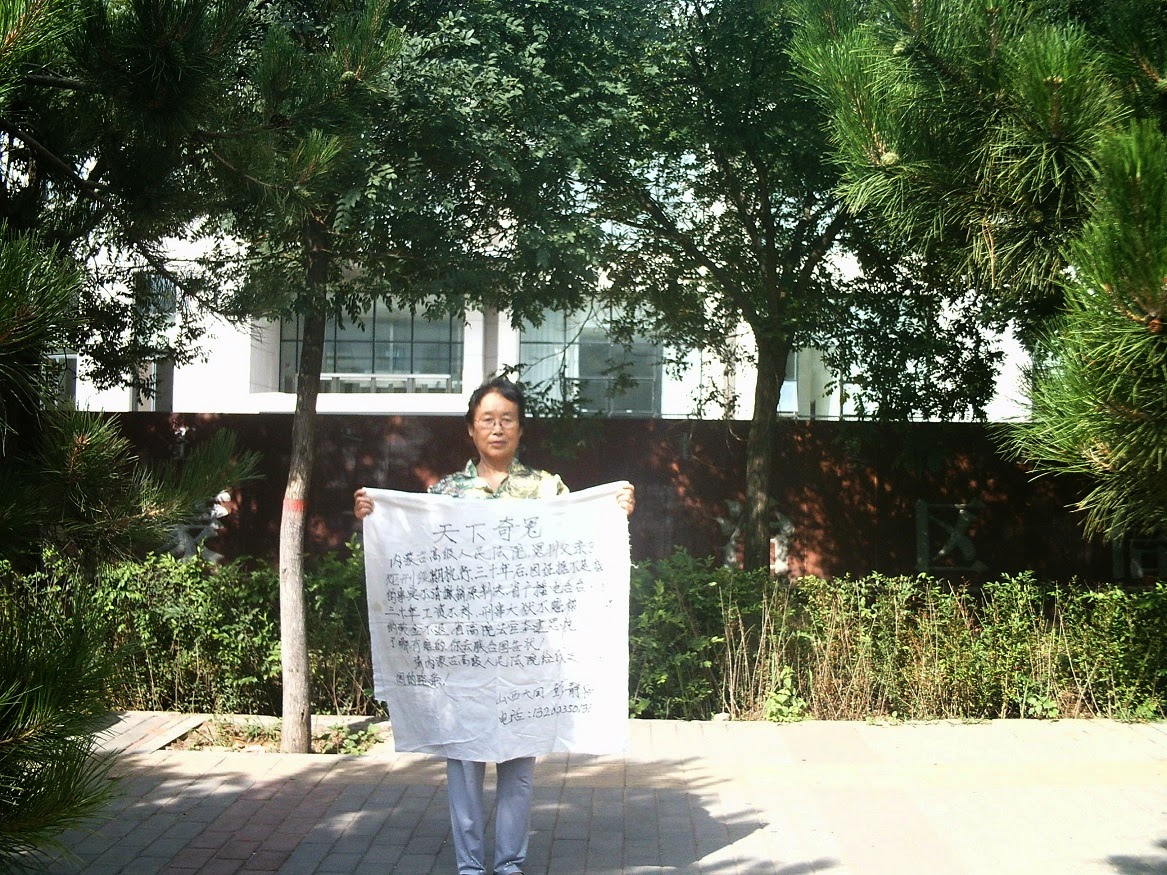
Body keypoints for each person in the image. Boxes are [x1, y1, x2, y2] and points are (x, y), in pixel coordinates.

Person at [354, 375, 635, 875]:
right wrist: (375, 516)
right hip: (465, 652)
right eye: (488, 419)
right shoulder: (446, 492)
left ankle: (508, 864)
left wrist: (615, 511)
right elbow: (414, 551)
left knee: (518, 764)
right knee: (463, 762)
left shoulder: (548, 490)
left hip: (528, 650)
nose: (498, 428)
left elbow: (582, 540)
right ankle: (469, 865)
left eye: (507, 419)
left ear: (521, 428)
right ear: (471, 428)